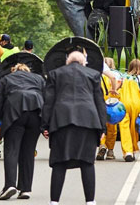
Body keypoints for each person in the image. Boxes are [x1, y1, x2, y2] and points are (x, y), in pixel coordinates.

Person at [41, 50, 106, 205]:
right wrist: (102, 128)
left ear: (67, 61)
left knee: (59, 162)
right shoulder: (93, 74)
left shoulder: (55, 74)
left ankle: (54, 201)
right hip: (88, 121)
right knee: (87, 162)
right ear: (84, 62)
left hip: (61, 120)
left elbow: (48, 102)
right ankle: (90, 201)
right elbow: (99, 103)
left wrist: (45, 125)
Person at [0, 63, 45, 200]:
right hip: (36, 112)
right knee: (28, 151)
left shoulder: (5, 80)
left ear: (13, 70)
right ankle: (25, 189)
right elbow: (48, 100)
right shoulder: (39, 79)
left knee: (11, 150)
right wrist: (47, 125)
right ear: (27, 71)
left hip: (15, 111)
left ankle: (10, 185)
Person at [116, 58, 140, 162]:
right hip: (137, 104)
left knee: (124, 127)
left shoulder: (123, 77)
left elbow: (116, 89)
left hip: (124, 104)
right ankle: (133, 150)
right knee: (134, 127)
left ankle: (127, 151)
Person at [97, 58, 121, 161]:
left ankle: (102, 145)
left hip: (99, 101)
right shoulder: (115, 74)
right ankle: (110, 151)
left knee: (100, 125)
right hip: (110, 102)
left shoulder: (95, 74)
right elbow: (118, 82)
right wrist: (114, 90)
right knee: (112, 126)